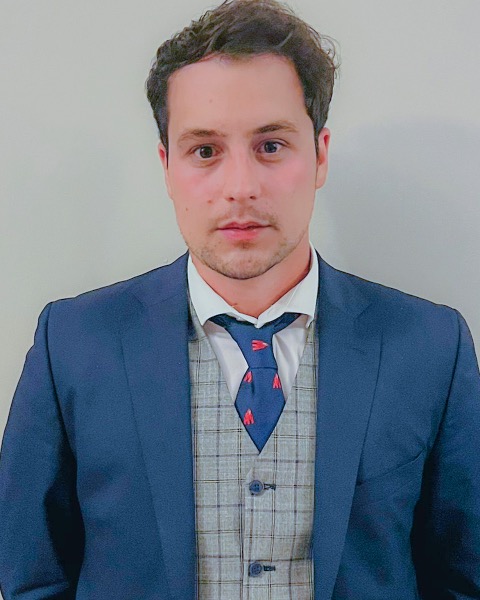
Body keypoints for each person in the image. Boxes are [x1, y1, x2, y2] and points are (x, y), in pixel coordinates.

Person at [1, 0, 479, 598]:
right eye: (204, 151)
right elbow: (32, 576)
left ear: (320, 155)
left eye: (271, 145)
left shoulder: (430, 347)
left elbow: (463, 576)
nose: (241, 187)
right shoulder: (72, 343)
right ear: (166, 166)